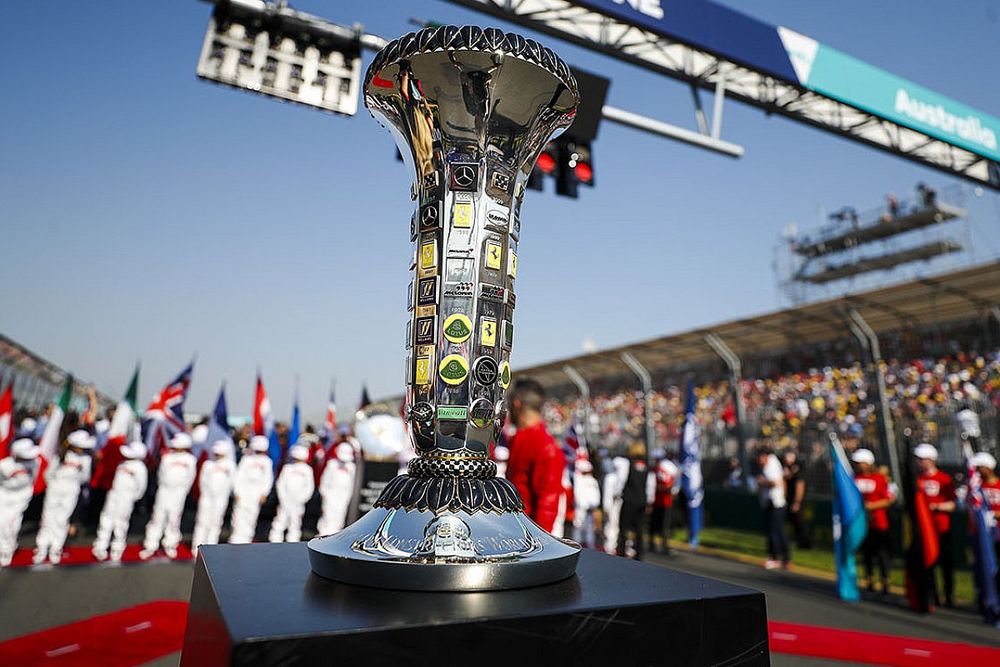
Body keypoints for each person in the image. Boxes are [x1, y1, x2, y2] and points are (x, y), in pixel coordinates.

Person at [505, 378, 565, 533]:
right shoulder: (520, 439)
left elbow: (547, 506)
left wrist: (538, 545)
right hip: (515, 531)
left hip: (527, 537)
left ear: (516, 404)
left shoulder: (545, 446)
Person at [33, 429, 95, 564]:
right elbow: (48, 474)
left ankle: (56, 548)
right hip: (54, 490)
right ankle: (42, 547)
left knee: (62, 519)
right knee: (47, 518)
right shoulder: (59, 455)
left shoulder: (86, 459)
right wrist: (54, 486)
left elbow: (85, 478)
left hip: (71, 491)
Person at [140, 433, 197, 559]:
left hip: (179, 492)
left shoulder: (191, 460)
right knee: (157, 517)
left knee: (174, 518)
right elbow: (161, 474)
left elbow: (191, 477)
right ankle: (151, 544)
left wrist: (183, 490)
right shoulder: (167, 457)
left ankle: (170, 544)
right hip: (164, 490)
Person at [914, 443, 957, 607]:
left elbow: (953, 504)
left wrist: (936, 507)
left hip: (942, 527)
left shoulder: (944, 479)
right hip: (925, 528)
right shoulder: (918, 480)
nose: (919, 463)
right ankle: (933, 594)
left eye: (922, 459)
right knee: (928, 562)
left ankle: (949, 594)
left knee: (946, 563)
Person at [92, 441, 148, 562]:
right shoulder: (121, 463)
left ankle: (117, 547)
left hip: (126, 497)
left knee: (121, 521)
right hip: (114, 494)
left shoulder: (140, 467)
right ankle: (101, 544)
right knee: (106, 518)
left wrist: (132, 497)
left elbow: (141, 487)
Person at [852, 448, 892, 594]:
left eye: (860, 462)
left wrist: (872, 506)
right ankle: (869, 578)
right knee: (867, 552)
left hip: (879, 521)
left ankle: (885, 580)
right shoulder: (854, 478)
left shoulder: (879, 479)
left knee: (881, 552)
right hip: (862, 522)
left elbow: (888, 499)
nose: (858, 465)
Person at [0, 439, 41, 567]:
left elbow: (33, 479)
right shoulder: (4, 465)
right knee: (2, 523)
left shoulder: (35, 462)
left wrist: (26, 494)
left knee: (13, 524)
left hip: (22, 497)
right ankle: (7, 545)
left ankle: (7, 550)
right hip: (5, 496)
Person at [192, 441, 236, 554]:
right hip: (207, 497)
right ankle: (197, 547)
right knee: (202, 520)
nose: (217, 455)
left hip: (221, 497)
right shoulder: (208, 464)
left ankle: (211, 547)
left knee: (216, 521)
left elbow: (232, 482)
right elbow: (202, 481)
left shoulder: (230, 465)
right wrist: (205, 494)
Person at [229, 435, 275, 544]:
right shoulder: (246, 459)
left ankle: (247, 540)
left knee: (252, 516)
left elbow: (268, 479)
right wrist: (237, 492)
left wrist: (264, 493)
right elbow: (238, 476)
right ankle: (235, 540)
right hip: (244, 491)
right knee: (238, 516)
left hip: (257, 493)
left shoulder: (267, 461)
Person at [269, 444, 315, 543]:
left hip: (298, 503)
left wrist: (301, 499)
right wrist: (283, 498)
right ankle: (274, 542)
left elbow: (309, 487)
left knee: (295, 524)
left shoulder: (307, 470)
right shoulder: (287, 468)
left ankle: (293, 543)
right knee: (279, 521)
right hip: (285, 501)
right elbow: (280, 484)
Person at [618, 444, 654, 560]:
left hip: (629, 499)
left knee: (623, 527)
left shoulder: (628, 463)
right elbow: (650, 485)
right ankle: (639, 555)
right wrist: (649, 501)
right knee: (639, 529)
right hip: (641, 501)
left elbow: (622, 481)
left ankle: (622, 552)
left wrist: (618, 493)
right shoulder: (647, 466)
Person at [756, 446, 790, 569]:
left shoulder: (772, 466)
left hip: (776, 503)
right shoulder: (770, 464)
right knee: (776, 531)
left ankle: (777, 558)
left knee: (775, 531)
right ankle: (782, 558)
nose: (758, 461)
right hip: (773, 502)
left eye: (760, 458)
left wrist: (762, 482)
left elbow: (776, 483)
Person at [316, 441, 356, 535]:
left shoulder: (351, 467)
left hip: (343, 496)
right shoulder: (332, 464)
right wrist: (325, 494)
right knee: (328, 515)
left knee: (340, 516)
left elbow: (352, 483)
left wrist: (347, 496)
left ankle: (336, 535)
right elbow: (325, 481)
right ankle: (323, 535)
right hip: (331, 494)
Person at [651, 457, 679, 554]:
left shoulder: (666, 472)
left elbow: (671, 485)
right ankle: (653, 543)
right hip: (657, 502)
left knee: (664, 525)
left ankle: (664, 544)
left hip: (665, 502)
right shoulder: (654, 471)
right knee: (655, 524)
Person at [783, 450, 811, 549]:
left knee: (800, 521)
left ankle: (805, 544)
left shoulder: (799, 468)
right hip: (789, 498)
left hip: (797, 500)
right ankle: (799, 542)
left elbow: (800, 485)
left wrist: (797, 502)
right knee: (793, 521)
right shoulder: (786, 467)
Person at [602, 455, 630, 554]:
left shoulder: (620, 479)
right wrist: (607, 507)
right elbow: (608, 493)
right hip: (612, 504)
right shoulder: (611, 477)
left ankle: (614, 545)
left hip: (618, 503)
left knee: (615, 525)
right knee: (611, 525)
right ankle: (609, 545)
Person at [571, 459, 601, 548]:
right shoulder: (579, 480)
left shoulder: (590, 481)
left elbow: (596, 497)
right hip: (581, 509)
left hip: (587, 510)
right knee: (579, 530)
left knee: (587, 531)